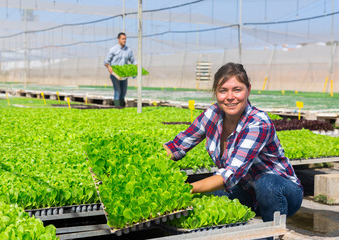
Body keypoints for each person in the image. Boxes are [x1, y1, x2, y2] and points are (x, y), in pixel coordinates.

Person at [163, 62, 303, 222]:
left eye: (237, 89)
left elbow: (228, 175)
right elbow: (176, 146)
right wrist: (150, 161)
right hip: (246, 190)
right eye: (223, 91)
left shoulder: (258, 123)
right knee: (211, 199)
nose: (230, 97)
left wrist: (184, 189)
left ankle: (270, 233)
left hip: (282, 192)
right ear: (216, 92)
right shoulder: (212, 115)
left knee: (266, 183)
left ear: (248, 89)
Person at [104, 32, 137, 107]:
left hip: (124, 74)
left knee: (123, 92)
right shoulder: (113, 49)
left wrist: (137, 66)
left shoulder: (128, 50)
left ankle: (122, 107)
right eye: (123, 39)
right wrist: (109, 67)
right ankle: (117, 108)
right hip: (115, 74)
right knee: (117, 91)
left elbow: (132, 60)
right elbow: (106, 61)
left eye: (125, 39)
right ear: (118, 39)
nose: (124, 40)